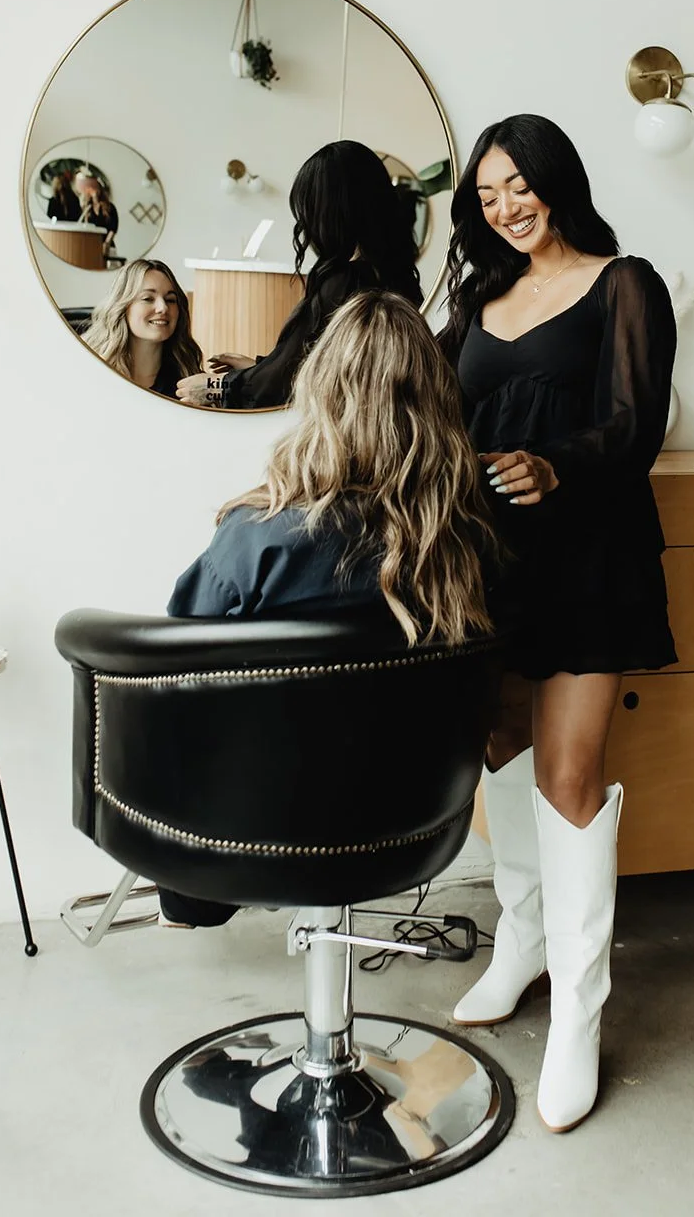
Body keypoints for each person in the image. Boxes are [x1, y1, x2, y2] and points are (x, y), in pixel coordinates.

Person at [439, 113, 676, 1135]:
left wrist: (554, 463)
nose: (505, 206)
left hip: (588, 559)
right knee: (496, 743)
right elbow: (431, 416)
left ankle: (579, 1010)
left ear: (555, 179)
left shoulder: (624, 282)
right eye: (486, 194)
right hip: (490, 565)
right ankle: (522, 941)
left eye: (517, 184)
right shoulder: (477, 300)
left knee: (566, 774)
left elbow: (635, 421)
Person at [159, 289, 501, 926]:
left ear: (322, 392)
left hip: (259, 823)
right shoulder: (465, 540)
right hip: (415, 821)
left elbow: (176, 666)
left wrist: (274, 505)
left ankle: (192, 897)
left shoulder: (259, 536)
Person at [176, 140, 422, 409]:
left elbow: (295, 381)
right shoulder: (395, 277)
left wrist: (219, 387)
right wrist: (263, 366)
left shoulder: (348, 281)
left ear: (330, 211)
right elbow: (315, 362)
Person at [82, 258, 202, 396]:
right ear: (123, 307)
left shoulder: (188, 377)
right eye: (148, 299)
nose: (163, 308)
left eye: (170, 300)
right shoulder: (92, 371)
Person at [78, 174, 119, 255]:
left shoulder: (109, 207)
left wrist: (106, 243)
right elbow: (84, 226)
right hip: (91, 244)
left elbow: (113, 228)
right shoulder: (88, 208)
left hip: (107, 245)